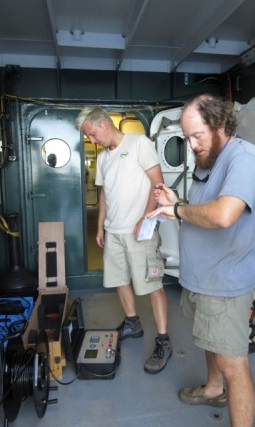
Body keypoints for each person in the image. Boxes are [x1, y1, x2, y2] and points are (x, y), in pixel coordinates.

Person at [147, 94, 255, 426]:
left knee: (235, 365)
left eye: (196, 135)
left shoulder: (242, 158)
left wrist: (175, 210)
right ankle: (213, 389)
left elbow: (224, 215)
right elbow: (202, 210)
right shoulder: (210, 160)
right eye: (186, 137)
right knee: (208, 341)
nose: (191, 144)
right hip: (201, 279)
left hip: (224, 284)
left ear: (221, 125)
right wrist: (178, 201)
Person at [75, 107, 172, 374]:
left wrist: (146, 217)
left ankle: (163, 341)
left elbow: (158, 184)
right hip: (114, 230)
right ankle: (133, 322)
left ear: (104, 124)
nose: (92, 141)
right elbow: (104, 193)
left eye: (93, 134)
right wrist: (99, 225)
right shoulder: (105, 157)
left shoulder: (139, 143)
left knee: (153, 286)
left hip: (140, 231)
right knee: (118, 279)